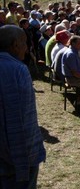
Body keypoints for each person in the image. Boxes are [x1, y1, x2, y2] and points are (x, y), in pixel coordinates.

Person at [0, 25, 46, 187]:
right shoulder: (18, 69)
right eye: (25, 43)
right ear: (15, 45)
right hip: (18, 158)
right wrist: (27, 159)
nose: (27, 48)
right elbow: (22, 118)